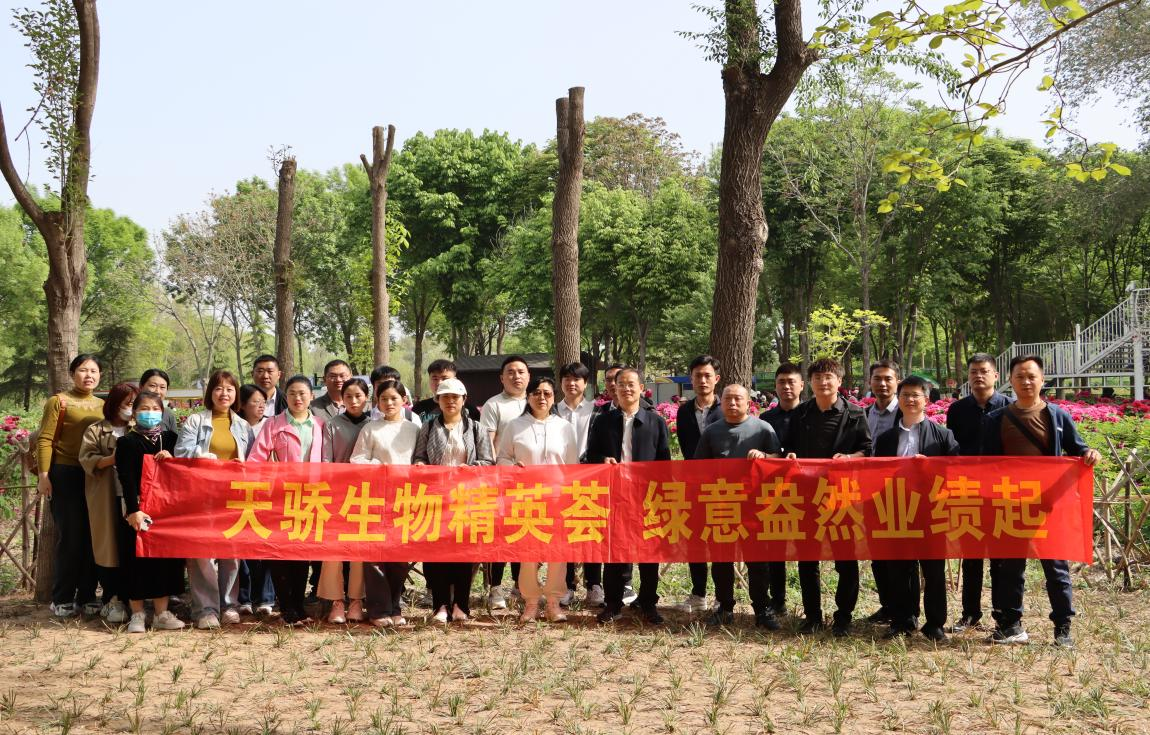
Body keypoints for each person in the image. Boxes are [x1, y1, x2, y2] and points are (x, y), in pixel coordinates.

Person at [979, 355, 1101, 647]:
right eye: (1020, 376)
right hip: (1011, 503)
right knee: (1010, 567)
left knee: (1055, 567)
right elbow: (985, 464)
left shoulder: (1057, 417)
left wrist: (1091, 454)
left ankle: (1063, 627)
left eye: (1031, 376)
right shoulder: (997, 419)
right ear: (1010, 380)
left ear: (1042, 380)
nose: (1026, 381)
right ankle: (1011, 624)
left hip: (1049, 505)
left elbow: (1080, 448)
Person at [786, 357, 872, 636]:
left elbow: (867, 451)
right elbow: (788, 449)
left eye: (829, 377)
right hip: (807, 496)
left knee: (846, 559)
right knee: (807, 558)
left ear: (839, 381)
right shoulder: (800, 414)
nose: (823, 382)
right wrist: (790, 457)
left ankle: (844, 617)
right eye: (818, 378)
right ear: (810, 383)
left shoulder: (856, 413)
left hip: (842, 496)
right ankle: (812, 616)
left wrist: (849, 458)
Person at [872, 376, 960, 642]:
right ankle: (903, 620)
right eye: (906, 395)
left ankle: (935, 624)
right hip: (897, 508)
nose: (910, 399)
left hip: (931, 509)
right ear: (899, 399)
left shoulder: (943, 435)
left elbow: (956, 470)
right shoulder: (887, 438)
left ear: (926, 400)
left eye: (916, 395)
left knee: (933, 569)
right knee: (900, 568)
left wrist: (931, 466)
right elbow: (875, 473)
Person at [585, 367, 671, 624]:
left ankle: (648, 602)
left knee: (648, 553)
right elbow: (591, 456)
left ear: (641, 387)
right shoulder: (603, 421)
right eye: (621, 384)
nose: (626, 388)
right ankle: (612, 604)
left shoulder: (655, 421)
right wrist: (603, 460)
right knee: (615, 552)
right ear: (614, 388)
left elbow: (664, 461)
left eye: (631, 383)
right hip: (615, 496)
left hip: (647, 496)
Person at [694, 383, 782, 630]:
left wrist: (765, 457)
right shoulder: (711, 432)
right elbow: (698, 468)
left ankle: (762, 609)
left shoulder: (763, 428)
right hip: (721, 505)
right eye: (728, 400)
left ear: (748, 403)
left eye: (738, 400)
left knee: (758, 561)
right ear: (721, 403)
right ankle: (724, 606)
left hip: (756, 506)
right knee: (721, 560)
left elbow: (780, 460)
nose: (732, 404)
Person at [174, 369, 253, 629]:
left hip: (233, 496)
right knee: (202, 552)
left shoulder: (242, 425)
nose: (224, 393)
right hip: (201, 494)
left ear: (236, 394)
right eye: (219, 388)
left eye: (230, 389)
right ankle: (205, 608)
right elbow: (181, 452)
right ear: (210, 392)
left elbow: (253, 459)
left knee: (231, 550)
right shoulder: (196, 421)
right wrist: (204, 456)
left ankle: (229, 605)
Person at [495, 376, 578, 623]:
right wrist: (513, 465)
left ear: (554, 397)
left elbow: (572, 466)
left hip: (556, 498)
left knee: (557, 552)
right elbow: (502, 459)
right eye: (537, 393)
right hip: (524, 498)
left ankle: (553, 602)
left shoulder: (564, 427)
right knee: (527, 551)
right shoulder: (514, 426)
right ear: (528, 396)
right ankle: (530, 602)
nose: (542, 398)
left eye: (547, 394)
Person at [413, 377, 494, 623]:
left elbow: (488, 461)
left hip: (466, 499)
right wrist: (420, 465)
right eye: (445, 397)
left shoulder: (476, 428)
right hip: (435, 499)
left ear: (464, 400)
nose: (450, 401)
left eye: (455, 397)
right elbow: (420, 456)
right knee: (435, 555)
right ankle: (440, 605)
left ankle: (461, 605)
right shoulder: (428, 427)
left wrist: (469, 468)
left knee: (463, 554)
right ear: (437, 400)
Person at [248, 375, 325, 625]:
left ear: (311, 396)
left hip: (311, 497)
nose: (297, 398)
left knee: (302, 552)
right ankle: (287, 607)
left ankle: (298, 606)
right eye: (292, 393)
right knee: (280, 551)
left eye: (303, 393)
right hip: (280, 497)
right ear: (286, 396)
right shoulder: (273, 424)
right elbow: (256, 459)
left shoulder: (321, 425)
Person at [946, 353, 1011, 632]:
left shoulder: (1010, 408)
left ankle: (1002, 613)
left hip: (1001, 491)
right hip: (968, 491)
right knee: (971, 556)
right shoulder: (958, 409)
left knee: (1000, 558)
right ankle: (970, 613)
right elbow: (952, 448)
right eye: (973, 372)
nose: (978, 376)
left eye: (984, 371)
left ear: (996, 376)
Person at [37, 354, 105, 618]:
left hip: (95, 475)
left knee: (92, 537)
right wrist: (45, 475)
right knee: (71, 537)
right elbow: (44, 439)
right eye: (83, 370)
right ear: (72, 373)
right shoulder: (59, 401)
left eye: (94, 371)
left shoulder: (102, 404)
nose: (89, 375)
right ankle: (62, 597)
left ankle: (88, 596)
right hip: (65, 474)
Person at [349, 379, 421, 627]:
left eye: (394, 398)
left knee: (400, 556)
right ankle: (378, 609)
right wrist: (379, 468)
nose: (389, 403)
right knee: (374, 555)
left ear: (404, 400)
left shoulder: (413, 429)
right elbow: (356, 459)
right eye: (384, 399)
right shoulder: (370, 428)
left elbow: (420, 460)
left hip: (406, 498)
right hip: (375, 497)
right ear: (376, 402)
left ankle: (395, 605)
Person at [115, 391, 187, 632]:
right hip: (137, 508)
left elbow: (185, 470)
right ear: (134, 413)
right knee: (134, 558)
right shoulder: (126, 442)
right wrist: (133, 510)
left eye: (155, 409)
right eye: (144, 408)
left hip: (166, 510)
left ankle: (161, 613)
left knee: (163, 560)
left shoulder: (171, 438)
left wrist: (172, 458)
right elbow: (125, 478)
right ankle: (137, 613)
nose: (150, 413)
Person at [77, 381, 138, 624]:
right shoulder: (96, 429)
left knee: (131, 546)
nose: (131, 408)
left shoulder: (139, 429)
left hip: (133, 498)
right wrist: (114, 458)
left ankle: (134, 597)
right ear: (115, 403)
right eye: (127, 403)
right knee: (107, 546)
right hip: (105, 496)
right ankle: (113, 599)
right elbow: (86, 459)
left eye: (134, 403)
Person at [478, 355, 530, 610]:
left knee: (522, 533)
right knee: (499, 536)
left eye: (521, 371)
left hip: (530, 484)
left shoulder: (537, 402)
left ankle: (520, 586)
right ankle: (495, 588)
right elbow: (488, 441)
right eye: (510, 372)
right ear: (502, 378)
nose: (516, 376)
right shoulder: (494, 405)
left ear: (528, 376)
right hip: (500, 480)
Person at [673, 355, 724, 615]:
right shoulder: (683, 411)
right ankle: (699, 593)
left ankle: (723, 597)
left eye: (707, 376)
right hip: (693, 484)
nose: (702, 380)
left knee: (720, 542)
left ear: (716, 379)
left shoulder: (726, 407)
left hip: (723, 486)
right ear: (691, 379)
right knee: (695, 540)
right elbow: (685, 447)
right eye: (697, 376)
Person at [318, 378, 372, 624]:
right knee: (333, 550)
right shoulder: (331, 425)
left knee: (360, 550)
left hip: (365, 496)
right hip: (337, 494)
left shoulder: (373, 425)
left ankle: (357, 601)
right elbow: (326, 460)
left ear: (366, 397)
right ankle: (336, 601)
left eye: (358, 396)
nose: (353, 401)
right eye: (348, 396)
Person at [555, 361, 600, 607]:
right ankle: (567, 585)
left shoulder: (597, 411)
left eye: (577, 379)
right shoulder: (552, 410)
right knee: (565, 534)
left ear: (585, 384)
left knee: (590, 531)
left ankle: (594, 584)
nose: (572, 384)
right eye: (567, 379)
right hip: (560, 480)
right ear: (561, 383)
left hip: (590, 479)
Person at [761, 362, 805, 616]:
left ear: (801, 385)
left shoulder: (811, 414)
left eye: (791, 382)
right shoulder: (767, 419)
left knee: (806, 551)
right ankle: (777, 600)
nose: (786, 387)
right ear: (775, 387)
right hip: (775, 492)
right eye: (781, 383)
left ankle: (812, 604)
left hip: (808, 490)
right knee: (774, 549)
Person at [864, 360, 904, 627]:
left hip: (901, 491)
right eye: (877, 378)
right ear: (870, 383)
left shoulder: (906, 411)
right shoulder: (864, 414)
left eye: (888, 379)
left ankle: (904, 608)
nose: (882, 384)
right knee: (876, 551)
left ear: (897, 382)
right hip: (869, 490)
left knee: (900, 553)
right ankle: (887, 605)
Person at [235, 383, 274, 617]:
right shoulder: (234, 427)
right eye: (254, 402)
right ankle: (244, 597)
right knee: (242, 548)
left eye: (263, 402)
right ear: (242, 404)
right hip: (239, 493)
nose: (260, 407)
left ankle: (266, 598)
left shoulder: (271, 425)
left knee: (265, 545)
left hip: (266, 492)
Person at [412, 359, 480, 422]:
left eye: (445, 378)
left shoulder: (470, 411)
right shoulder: (418, 408)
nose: (439, 383)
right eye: (435, 379)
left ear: (455, 380)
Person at [139, 368, 179, 434]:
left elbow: (175, 442)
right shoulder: (130, 413)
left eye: (162, 387)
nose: (157, 391)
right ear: (141, 387)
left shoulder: (168, 414)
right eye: (152, 386)